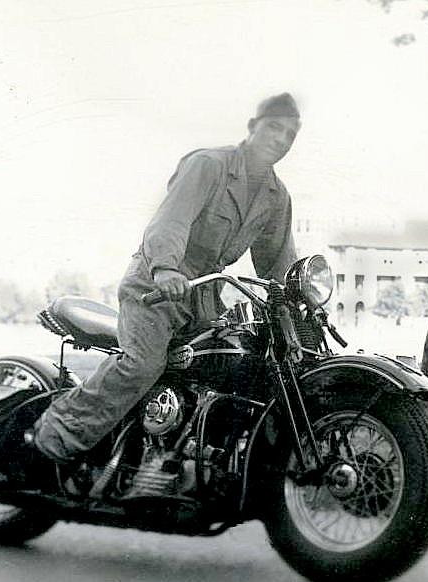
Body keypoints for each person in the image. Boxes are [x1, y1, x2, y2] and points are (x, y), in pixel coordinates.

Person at [33, 93, 301, 466]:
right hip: (156, 285)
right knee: (142, 364)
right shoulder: (209, 165)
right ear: (253, 126)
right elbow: (171, 221)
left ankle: (182, 455)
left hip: (203, 294)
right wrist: (166, 268)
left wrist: (299, 298)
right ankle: (55, 434)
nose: (281, 139)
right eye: (274, 127)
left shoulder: (276, 197)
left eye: (290, 134)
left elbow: (278, 261)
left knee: (228, 365)